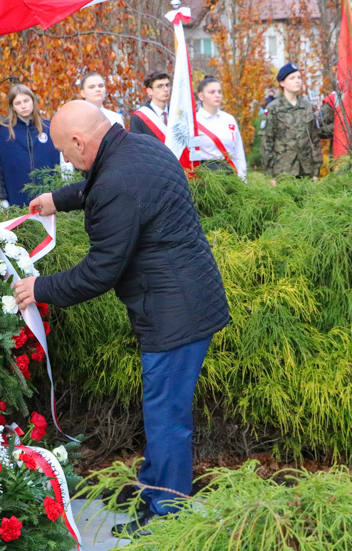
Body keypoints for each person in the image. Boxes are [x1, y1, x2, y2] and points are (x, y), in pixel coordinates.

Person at [12, 101, 230, 537]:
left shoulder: (117, 178)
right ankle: (157, 493)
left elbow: (100, 270)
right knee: (161, 412)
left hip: (174, 313)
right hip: (185, 298)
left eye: (67, 153)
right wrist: (59, 199)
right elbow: (103, 183)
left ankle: (167, 519)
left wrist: (40, 288)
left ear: (79, 141)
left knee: (166, 417)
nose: (69, 163)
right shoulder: (139, 146)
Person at [259, 63, 331, 181]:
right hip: (283, 172)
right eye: (292, 78)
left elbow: (314, 140)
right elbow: (266, 143)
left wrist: (315, 170)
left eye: (298, 77)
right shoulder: (274, 108)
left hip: (306, 171)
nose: (297, 81)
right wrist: (270, 175)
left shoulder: (307, 106)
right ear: (282, 83)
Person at [0, 85, 58, 208]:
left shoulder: (49, 128)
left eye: (26, 101)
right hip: (16, 201)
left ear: (33, 101)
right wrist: (0, 198)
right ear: (13, 107)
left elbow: (62, 162)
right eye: (18, 103)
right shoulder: (4, 133)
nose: (23, 106)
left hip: (48, 200)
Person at [195, 76, 247, 181]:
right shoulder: (194, 121)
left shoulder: (229, 119)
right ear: (201, 96)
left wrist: (242, 178)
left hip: (230, 173)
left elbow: (238, 150)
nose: (217, 95)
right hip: (206, 175)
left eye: (219, 92)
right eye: (212, 92)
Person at [129, 71, 171, 141]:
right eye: (160, 86)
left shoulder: (177, 113)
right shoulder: (139, 118)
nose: (166, 89)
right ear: (149, 91)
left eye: (167, 85)